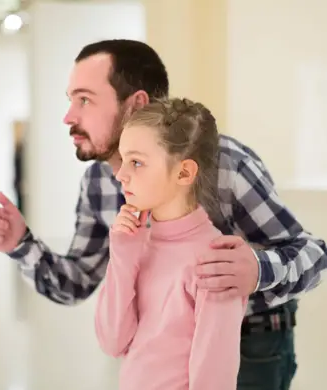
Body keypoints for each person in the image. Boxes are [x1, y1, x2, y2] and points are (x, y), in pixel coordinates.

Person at [0, 39, 327, 390]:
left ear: (135, 104)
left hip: (254, 344)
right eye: (70, 100)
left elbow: (313, 253)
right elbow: (77, 284)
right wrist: (21, 243)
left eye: (84, 100)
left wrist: (259, 270)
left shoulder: (226, 165)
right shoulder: (101, 181)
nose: (68, 116)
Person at [95, 96, 247, 390]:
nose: (121, 175)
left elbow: (214, 379)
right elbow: (112, 342)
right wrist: (123, 257)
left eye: (136, 162)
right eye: (123, 160)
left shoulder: (215, 261)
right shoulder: (136, 244)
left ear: (184, 172)